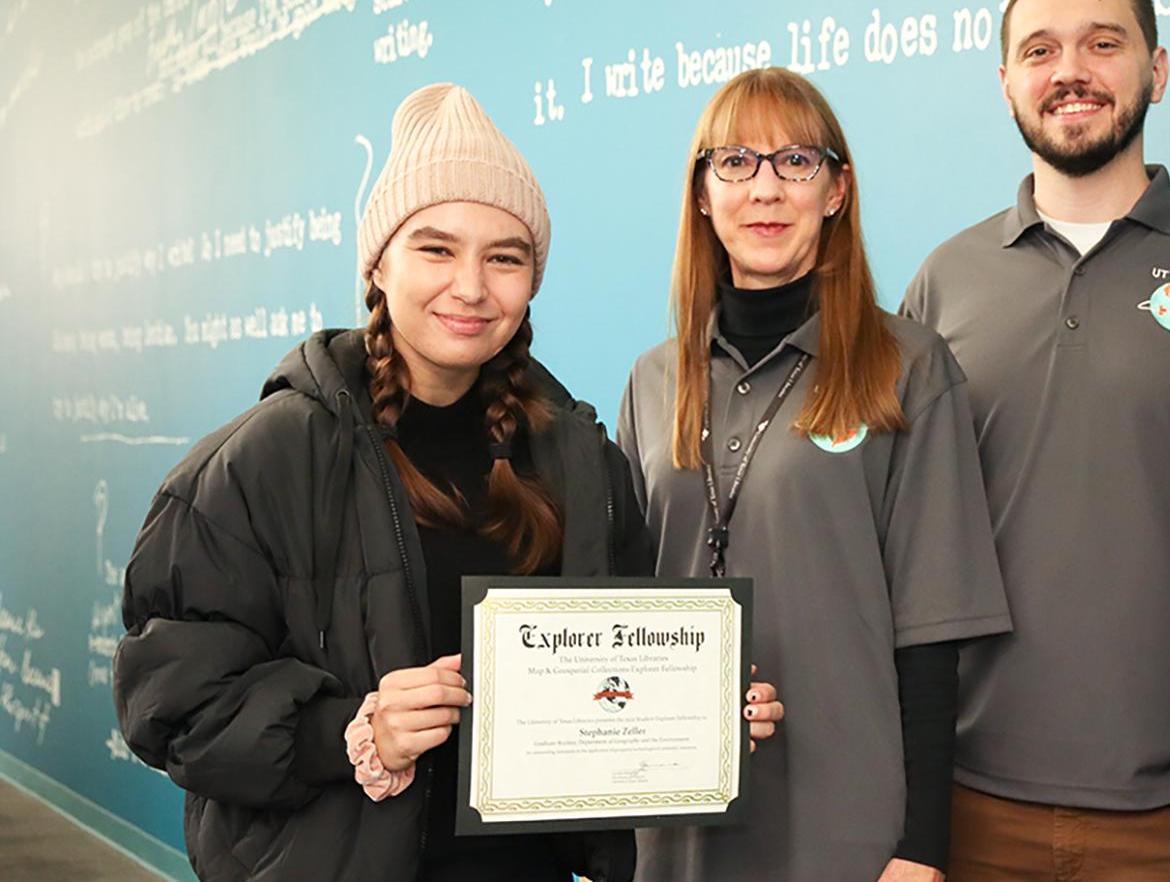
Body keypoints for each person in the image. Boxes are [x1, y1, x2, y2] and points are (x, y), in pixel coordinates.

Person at [112, 83, 781, 882]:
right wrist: (352, 732)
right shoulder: (265, 460)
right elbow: (171, 702)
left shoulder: (580, 463)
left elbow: (618, 672)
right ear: (380, 266)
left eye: (504, 257)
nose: (470, 287)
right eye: (436, 249)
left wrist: (698, 713)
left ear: (531, 281)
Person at [900, 0, 1170, 880]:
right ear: (1006, 81)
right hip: (970, 802)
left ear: (1156, 71)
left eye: (1103, 43)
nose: (1070, 71)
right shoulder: (943, 282)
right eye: (1039, 49)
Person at [618, 67, 1012, 882]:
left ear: (836, 190)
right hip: (678, 817)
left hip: (846, 822)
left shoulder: (906, 366)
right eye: (735, 163)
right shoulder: (652, 381)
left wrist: (921, 849)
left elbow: (932, 634)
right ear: (701, 193)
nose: (765, 188)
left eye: (795, 162)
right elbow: (618, 607)